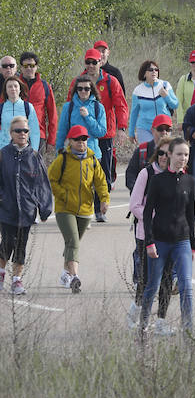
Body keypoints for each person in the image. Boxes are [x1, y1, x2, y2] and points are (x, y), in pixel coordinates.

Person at [139, 138, 195, 336]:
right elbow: (147, 213)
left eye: (186, 155)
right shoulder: (157, 180)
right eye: (179, 154)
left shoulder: (190, 180)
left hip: (182, 241)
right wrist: (149, 242)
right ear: (169, 154)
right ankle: (143, 323)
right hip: (160, 242)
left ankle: (187, 328)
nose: (183, 158)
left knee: (186, 286)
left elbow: (191, 214)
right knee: (153, 285)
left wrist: (193, 245)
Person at [67, 48, 128, 222]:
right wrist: (66, 133)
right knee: (82, 175)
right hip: (82, 136)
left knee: (104, 175)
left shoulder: (111, 81)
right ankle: (85, 209)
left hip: (104, 133)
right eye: (88, 62)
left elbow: (121, 105)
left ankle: (100, 207)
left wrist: (121, 128)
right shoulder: (77, 82)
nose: (92, 65)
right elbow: (68, 106)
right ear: (84, 63)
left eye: (95, 62)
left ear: (101, 62)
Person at [48, 124, 110, 293]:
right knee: (73, 242)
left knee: (72, 244)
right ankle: (75, 277)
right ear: (70, 141)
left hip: (85, 210)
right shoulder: (63, 159)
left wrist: (104, 199)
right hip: (65, 209)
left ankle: (65, 273)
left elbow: (101, 182)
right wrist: (64, 195)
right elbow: (51, 179)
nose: (81, 142)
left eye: (84, 139)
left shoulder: (92, 160)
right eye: (77, 140)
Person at [127, 138, 176, 334]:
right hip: (146, 235)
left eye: (169, 153)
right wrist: (157, 219)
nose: (165, 157)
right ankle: (135, 313)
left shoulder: (177, 176)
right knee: (146, 280)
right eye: (162, 153)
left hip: (170, 236)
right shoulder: (146, 173)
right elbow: (135, 206)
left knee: (166, 279)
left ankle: (161, 323)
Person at [0, 116, 52, 295]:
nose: (22, 134)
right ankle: (1, 274)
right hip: (7, 209)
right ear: (11, 134)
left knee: (21, 246)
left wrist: (44, 209)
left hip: (27, 210)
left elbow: (43, 185)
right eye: (18, 131)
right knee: (7, 245)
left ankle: (17, 281)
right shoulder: (3, 154)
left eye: (25, 131)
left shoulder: (35, 156)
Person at [56, 75, 107, 159]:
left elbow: (101, 132)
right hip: (72, 155)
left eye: (86, 88)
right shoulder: (68, 107)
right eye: (80, 88)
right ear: (76, 90)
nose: (83, 91)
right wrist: (59, 152)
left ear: (91, 90)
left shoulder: (98, 107)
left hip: (93, 155)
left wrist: (88, 117)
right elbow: (62, 131)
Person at [128, 60, 179, 144]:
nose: (154, 71)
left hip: (163, 127)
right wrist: (131, 133)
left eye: (156, 69)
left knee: (162, 153)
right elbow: (134, 113)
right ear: (144, 73)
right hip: (145, 128)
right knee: (149, 154)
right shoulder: (138, 90)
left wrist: (166, 96)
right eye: (150, 70)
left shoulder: (165, 85)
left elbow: (175, 105)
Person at [19, 52, 57, 155]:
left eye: (32, 65)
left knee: (36, 169)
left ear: (36, 67)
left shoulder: (45, 86)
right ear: (21, 68)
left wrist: (51, 141)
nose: (29, 68)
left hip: (39, 135)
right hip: (17, 134)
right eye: (25, 66)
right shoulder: (14, 84)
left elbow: (52, 114)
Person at [0, 76, 40, 150]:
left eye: (15, 86)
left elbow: (35, 131)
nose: (13, 89)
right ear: (5, 90)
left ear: (20, 89)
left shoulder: (28, 107)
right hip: (3, 150)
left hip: (23, 151)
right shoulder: (1, 108)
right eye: (9, 87)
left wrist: (34, 151)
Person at [176, 50, 195, 120]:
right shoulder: (183, 79)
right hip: (188, 118)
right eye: (193, 62)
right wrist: (180, 120)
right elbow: (178, 101)